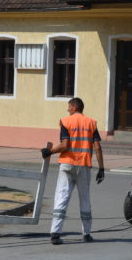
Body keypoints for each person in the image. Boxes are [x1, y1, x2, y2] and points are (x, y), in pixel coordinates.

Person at [41, 97, 105, 245]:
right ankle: (87, 234)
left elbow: (64, 145)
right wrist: (101, 168)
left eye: (69, 107)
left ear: (74, 107)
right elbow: (97, 147)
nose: (67, 109)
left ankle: (55, 234)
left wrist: (49, 151)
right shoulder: (91, 122)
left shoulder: (66, 121)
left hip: (67, 164)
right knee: (85, 199)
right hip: (84, 165)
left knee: (62, 197)